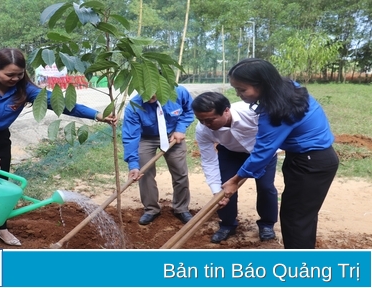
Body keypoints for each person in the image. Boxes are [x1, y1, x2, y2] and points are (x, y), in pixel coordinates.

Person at [0, 48, 117, 249]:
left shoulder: (26, 90)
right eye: (9, 75)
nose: (15, 79)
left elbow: (63, 104)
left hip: (0, 140)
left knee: (1, 184)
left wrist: (96, 115)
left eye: (19, 74)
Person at [221, 58, 339, 249]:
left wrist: (235, 180)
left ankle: (300, 271)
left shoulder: (277, 111)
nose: (238, 94)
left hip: (311, 164)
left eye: (242, 90)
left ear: (263, 85)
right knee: (301, 216)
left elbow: (262, 152)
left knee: (295, 219)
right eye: (236, 89)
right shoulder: (288, 87)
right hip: (314, 159)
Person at [192, 92, 278, 243]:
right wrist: (215, 190)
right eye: (201, 120)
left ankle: (266, 224)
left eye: (210, 120)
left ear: (226, 110)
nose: (206, 124)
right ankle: (227, 225)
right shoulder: (203, 129)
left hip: (262, 152)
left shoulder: (252, 113)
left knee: (266, 187)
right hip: (231, 152)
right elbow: (209, 160)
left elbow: (272, 136)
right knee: (224, 188)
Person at [122, 86, 195, 225]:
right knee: (144, 172)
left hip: (172, 134)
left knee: (180, 172)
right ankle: (151, 209)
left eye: (153, 92)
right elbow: (131, 136)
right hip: (146, 137)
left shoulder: (178, 92)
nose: (149, 97)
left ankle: (181, 208)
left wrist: (180, 128)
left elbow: (189, 110)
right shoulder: (134, 106)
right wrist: (133, 164)